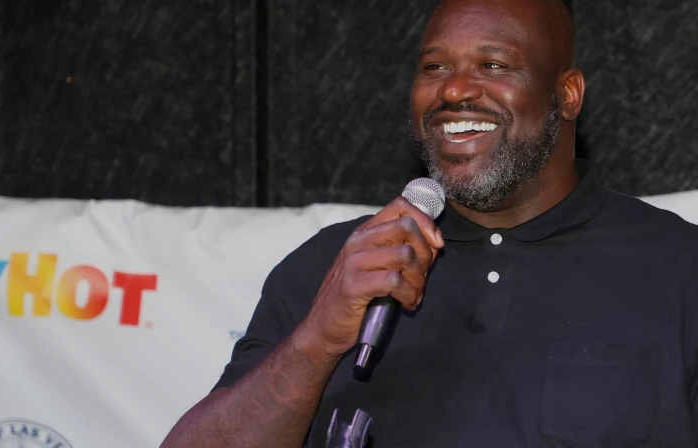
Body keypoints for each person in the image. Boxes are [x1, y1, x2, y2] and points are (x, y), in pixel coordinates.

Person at [161, 0, 698, 446]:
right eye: (435, 67)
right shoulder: (338, 265)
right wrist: (317, 340)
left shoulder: (677, 268)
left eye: (493, 64)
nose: (453, 90)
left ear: (567, 94)